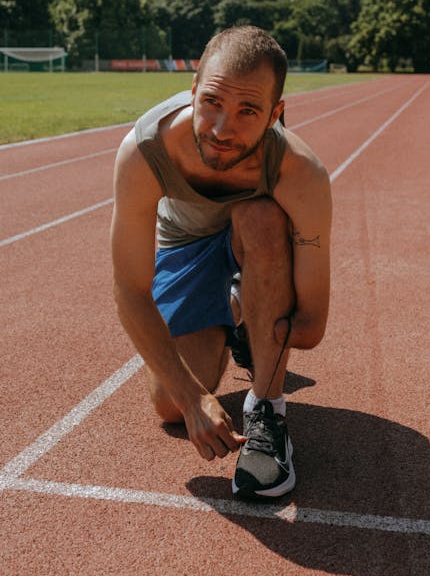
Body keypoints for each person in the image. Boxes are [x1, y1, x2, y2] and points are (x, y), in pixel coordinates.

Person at [111, 26, 332, 499]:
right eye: (211, 102)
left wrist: (270, 320)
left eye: (248, 110)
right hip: (184, 242)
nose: (221, 128)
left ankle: (268, 414)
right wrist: (192, 398)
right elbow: (130, 290)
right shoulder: (144, 152)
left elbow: (310, 327)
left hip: (255, 239)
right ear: (193, 89)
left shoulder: (300, 172)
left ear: (277, 114)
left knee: (260, 217)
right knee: (169, 406)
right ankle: (237, 309)